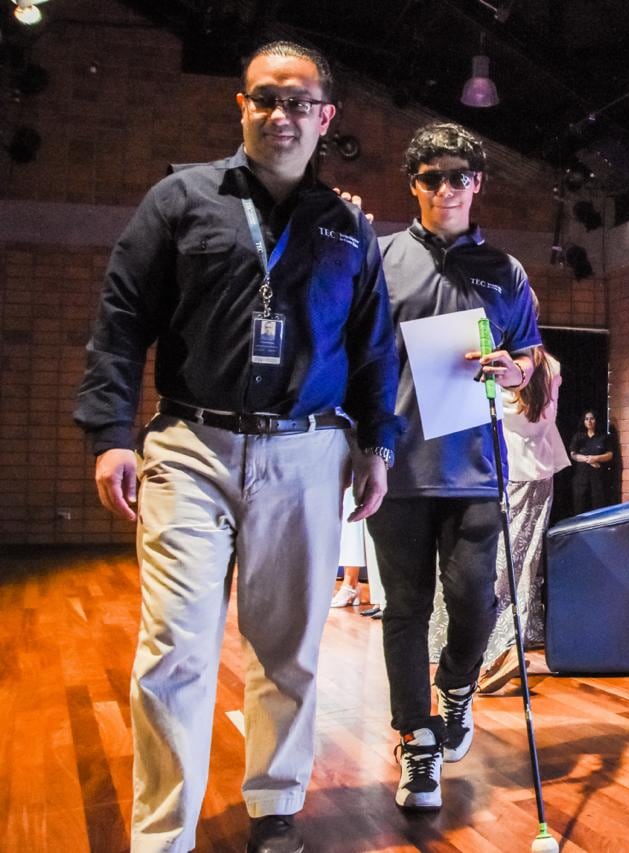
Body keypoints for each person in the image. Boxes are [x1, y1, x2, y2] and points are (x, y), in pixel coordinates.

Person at [72, 41, 401, 853]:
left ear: (325, 116)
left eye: (299, 102)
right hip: (190, 446)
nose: (281, 114)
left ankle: (276, 807)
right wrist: (111, 434)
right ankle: (163, 834)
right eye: (266, 98)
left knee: (288, 650)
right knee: (174, 648)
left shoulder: (348, 227)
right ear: (242, 106)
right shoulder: (178, 200)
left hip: (307, 452)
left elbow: (374, 348)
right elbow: (121, 320)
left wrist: (378, 445)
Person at [367, 121, 540, 811]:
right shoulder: (379, 260)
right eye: (431, 177)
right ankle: (417, 741)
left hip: (475, 467)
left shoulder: (507, 271)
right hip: (397, 468)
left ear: (478, 184)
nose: (445, 188)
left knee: (474, 599)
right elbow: (354, 356)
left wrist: (513, 368)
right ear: (414, 185)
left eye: (458, 176)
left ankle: (458, 687)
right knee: (405, 608)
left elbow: (528, 357)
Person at [428, 342, 571, 694]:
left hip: (500, 468)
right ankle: (508, 643)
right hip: (538, 471)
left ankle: (493, 652)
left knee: (490, 564)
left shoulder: (496, 368)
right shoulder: (550, 366)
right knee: (522, 563)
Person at [569, 409, 614, 514]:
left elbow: (610, 455)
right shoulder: (578, 437)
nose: (589, 421)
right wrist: (588, 459)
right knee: (580, 507)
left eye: (592, 419)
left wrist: (596, 458)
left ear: (596, 420)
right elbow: (573, 455)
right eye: (586, 419)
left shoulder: (603, 437)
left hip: (598, 478)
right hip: (581, 478)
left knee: (598, 508)